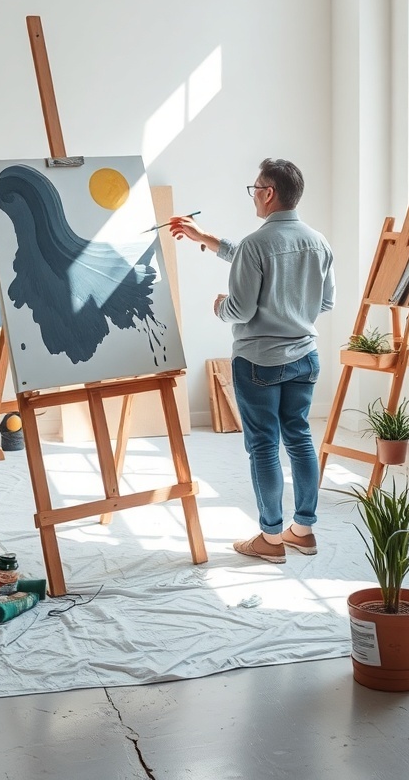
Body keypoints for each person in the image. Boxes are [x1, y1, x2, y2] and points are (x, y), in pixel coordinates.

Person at [169, 158, 335, 563]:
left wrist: (220, 306)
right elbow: (325, 302)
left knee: (263, 446)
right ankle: (304, 531)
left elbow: (241, 308)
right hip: (305, 357)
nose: (253, 196)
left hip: (259, 361)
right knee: (299, 439)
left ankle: (270, 539)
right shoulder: (319, 241)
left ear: (269, 192)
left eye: (255, 188)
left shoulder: (257, 244)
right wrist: (205, 238)